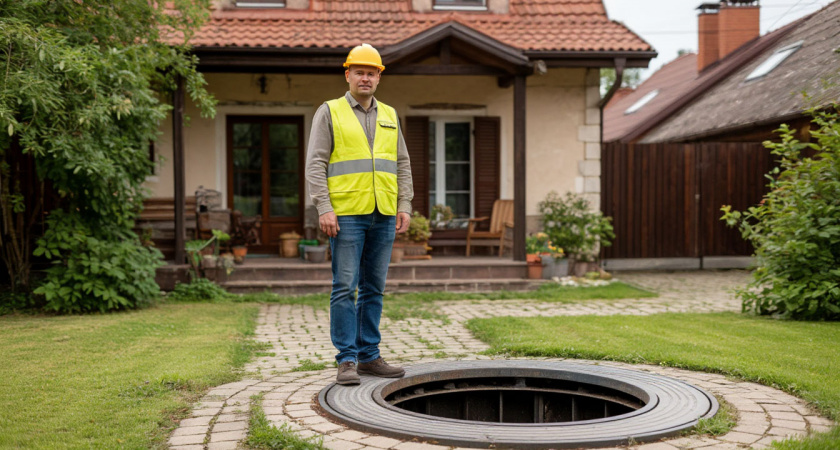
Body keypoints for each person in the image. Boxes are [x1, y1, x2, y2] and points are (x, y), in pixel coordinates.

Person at [305, 43, 413, 386]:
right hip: (347, 215)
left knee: (374, 288)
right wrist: (324, 207)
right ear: (347, 75)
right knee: (344, 287)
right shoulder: (330, 111)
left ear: (379, 78)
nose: (365, 78)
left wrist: (404, 204)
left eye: (371, 73)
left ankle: (369, 356)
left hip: (383, 213)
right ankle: (347, 359)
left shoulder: (390, 115)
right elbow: (315, 163)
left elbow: (402, 164)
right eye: (359, 72)